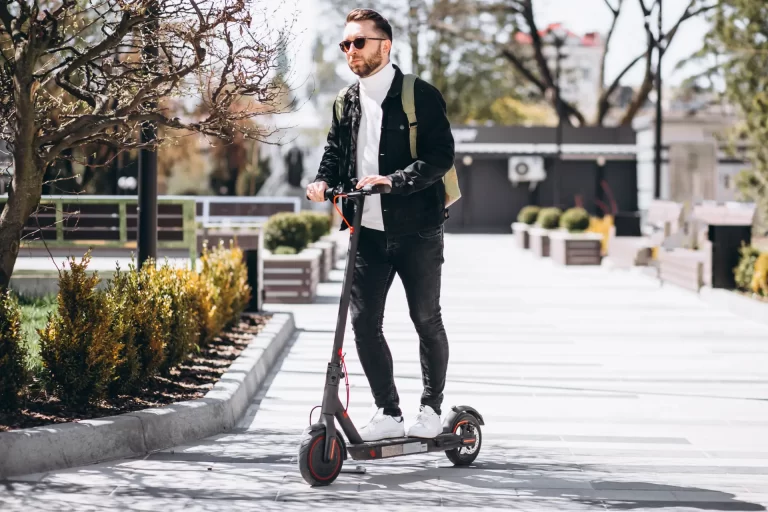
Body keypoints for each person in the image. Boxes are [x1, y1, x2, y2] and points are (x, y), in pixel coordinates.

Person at [306, 8, 455, 441]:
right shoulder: (345, 101)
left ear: (384, 46)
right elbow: (335, 152)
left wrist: (395, 181)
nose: (350, 50)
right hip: (365, 233)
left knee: (426, 318)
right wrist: (322, 181)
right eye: (345, 44)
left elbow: (440, 155)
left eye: (359, 42)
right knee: (363, 322)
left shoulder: (419, 95)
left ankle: (431, 408)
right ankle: (389, 413)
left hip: (418, 229)